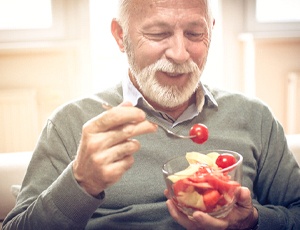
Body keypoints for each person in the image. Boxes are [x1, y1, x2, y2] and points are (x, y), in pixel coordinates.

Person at [3, 0, 300, 229]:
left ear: (211, 30)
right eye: (158, 34)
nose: (180, 53)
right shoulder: (70, 124)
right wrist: (81, 182)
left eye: (195, 34)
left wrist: (252, 221)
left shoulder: (255, 117)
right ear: (121, 36)